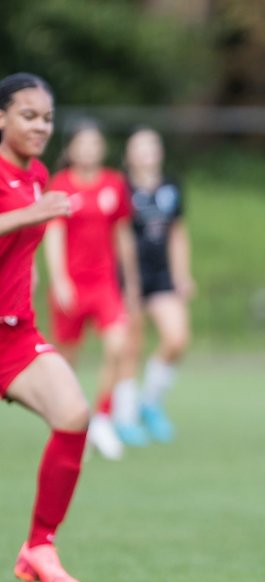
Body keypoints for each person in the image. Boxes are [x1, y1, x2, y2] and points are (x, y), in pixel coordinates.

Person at [0, 73, 91, 582]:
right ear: (2, 117)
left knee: (73, 413)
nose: (40, 126)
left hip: (14, 334)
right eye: (28, 115)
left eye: (47, 118)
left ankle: (39, 545)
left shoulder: (36, 175)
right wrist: (32, 214)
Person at [42, 119, 140, 460]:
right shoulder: (61, 184)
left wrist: (129, 284)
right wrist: (59, 280)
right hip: (72, 285)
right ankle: (73, 424)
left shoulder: (114, 184)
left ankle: (102, 417)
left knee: (119, 346)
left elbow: (123, 237)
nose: (88, 150)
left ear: (101, 148)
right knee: (66, 362)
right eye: (81, 144)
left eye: (94, 143)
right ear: (70, 150)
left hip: (104, 285)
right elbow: (54, 234)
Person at [113, 127, 194, 445]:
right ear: (128, 155)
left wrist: (181, 274)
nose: (147, 151)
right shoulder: (120, 188)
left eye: (152, 145)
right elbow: (119, 237)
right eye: (139, 146)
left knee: (177, 338)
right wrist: (130, 282)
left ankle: (150, 402)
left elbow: (177, 233)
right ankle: (125, 417)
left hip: (161, 276)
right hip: (128, 276)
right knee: (131, 346)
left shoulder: (171, 187)